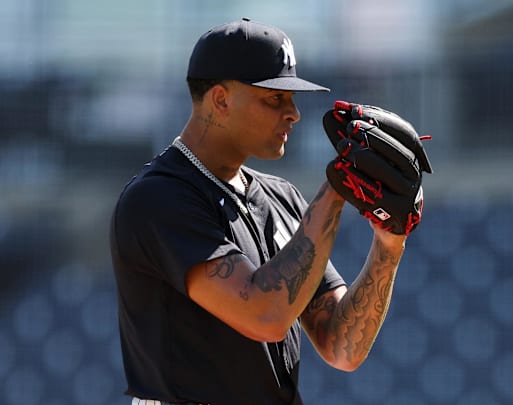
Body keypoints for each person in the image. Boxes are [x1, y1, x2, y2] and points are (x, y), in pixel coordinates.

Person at [110, 18, 416, 405]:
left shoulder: (282, 196)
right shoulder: (159, 198)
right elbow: (264, 315)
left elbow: (342, 347)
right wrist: (336, 190)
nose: (293, 113)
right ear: (220, 99)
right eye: (274, 98)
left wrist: (389, 245)